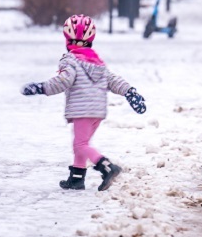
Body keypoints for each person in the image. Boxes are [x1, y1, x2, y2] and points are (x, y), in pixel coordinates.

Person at [22, 14, 148, 191]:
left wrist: (41, 88)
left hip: (82, 110)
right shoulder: (96, 61)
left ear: (67, 39)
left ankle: (107, 167)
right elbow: (113, 80)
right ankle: (76, 178)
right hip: (98, 111)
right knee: (82, 144)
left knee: (80, 145)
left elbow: (63, 81)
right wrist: (129, 92)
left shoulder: (70, 61)